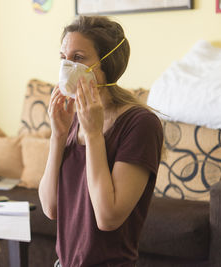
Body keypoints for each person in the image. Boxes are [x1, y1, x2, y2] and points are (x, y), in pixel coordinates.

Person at [38, 16, 164, 267]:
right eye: (63, 57)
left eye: (78, 57)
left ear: (108, 64)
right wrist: (58, 135)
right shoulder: (73, 115)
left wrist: (94, 135)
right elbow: (50, 207)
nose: (66, 66)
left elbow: (108, 217)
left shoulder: (140, 124)